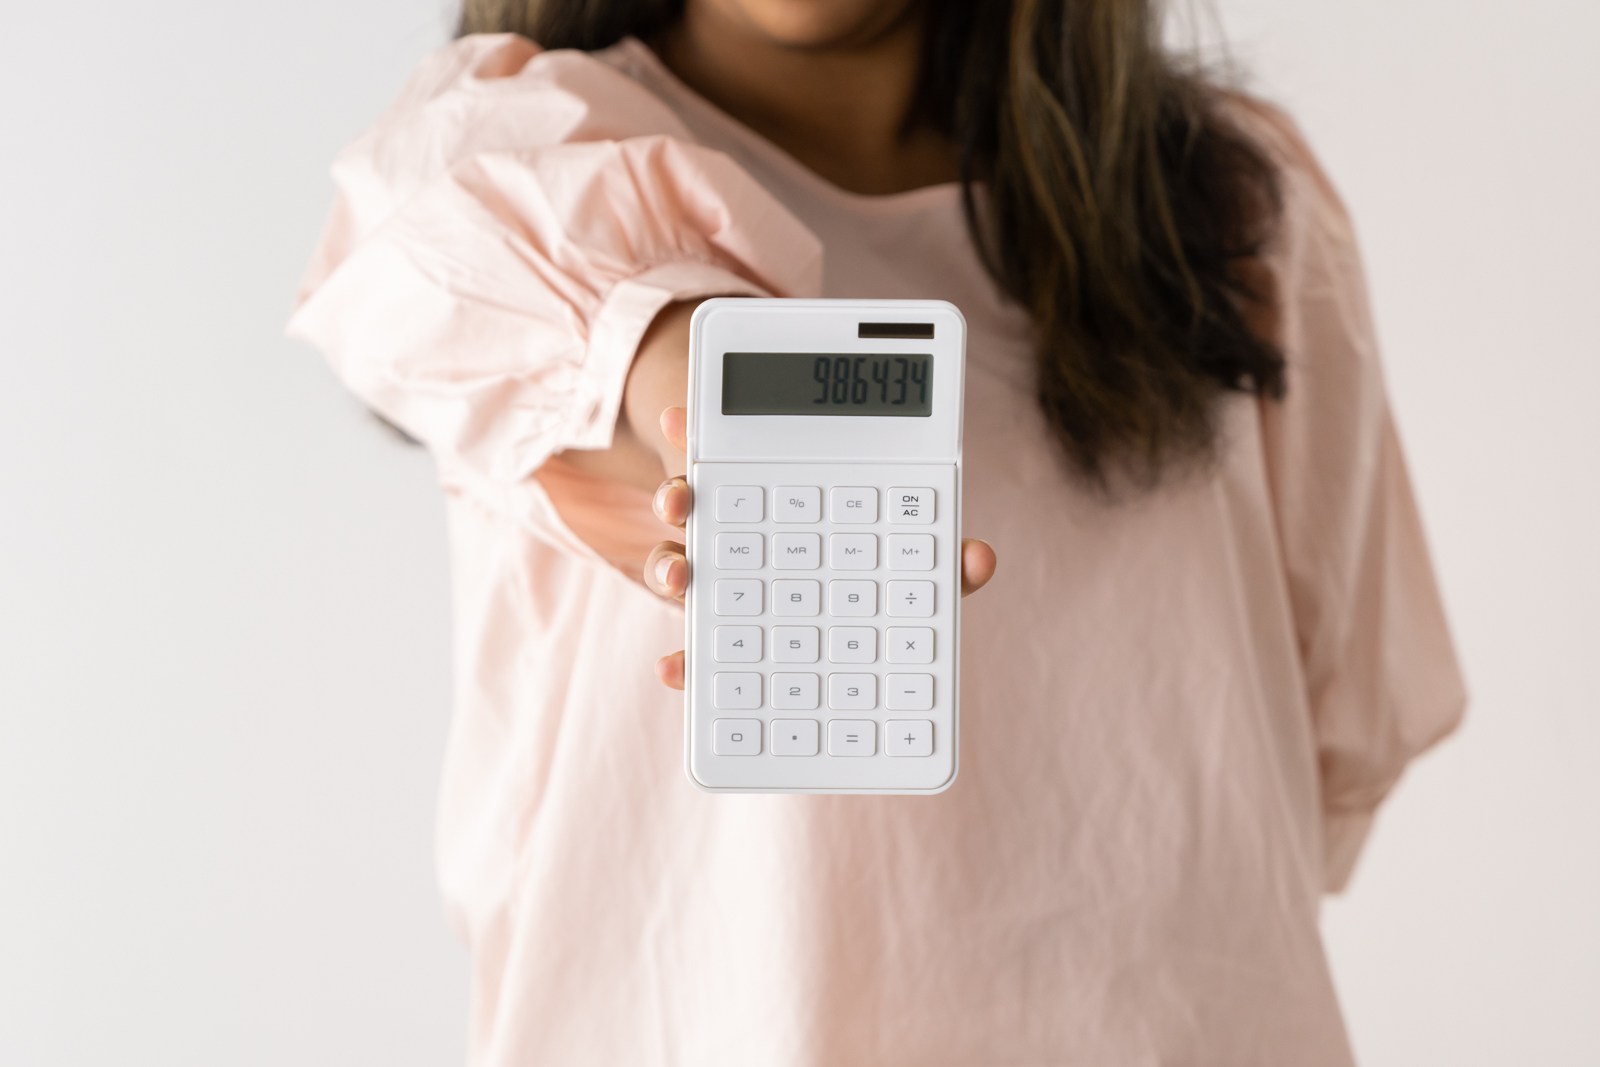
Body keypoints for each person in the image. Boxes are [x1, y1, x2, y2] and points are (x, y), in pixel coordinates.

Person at [288, 0, 1466, 1062]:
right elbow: (423, 246)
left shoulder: (1234, 206)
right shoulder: (520, 148)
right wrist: (684, 365)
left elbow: (1338, 717)